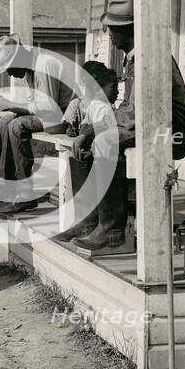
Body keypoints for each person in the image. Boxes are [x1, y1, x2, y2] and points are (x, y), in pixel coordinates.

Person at [73, 0, 185, 250]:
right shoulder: (132, 58)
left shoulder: (148, 59)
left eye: (113, 29)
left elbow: (139, 113)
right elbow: (129, 108)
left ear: (130, 29)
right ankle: (89, 220)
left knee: (105, 142)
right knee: (83, 146)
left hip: (170, 131)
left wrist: (96, 130)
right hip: (148, 124)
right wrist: (90, 129)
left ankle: (111, 229)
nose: (109, 35)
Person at [0, 34, 74, 215]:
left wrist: (11, 105)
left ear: (18, 58)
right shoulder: (30, 67)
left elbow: (49, 107)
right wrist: (11, 108)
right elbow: (32, 103)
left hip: (66, 119)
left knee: (16, 126)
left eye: (9, 68)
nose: (10, 74)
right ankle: (4, 185)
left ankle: (25, 195)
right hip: (51, 115)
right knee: (2, 122)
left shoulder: (44, 64)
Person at [54, 66, 119, 242]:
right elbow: (92, 126)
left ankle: (88, 222)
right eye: (113, 88)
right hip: (99, 152)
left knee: (86, 161)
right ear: (100, 88)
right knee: (79, 161)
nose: (118, 92)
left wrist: (85, 135)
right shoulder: (97, 106)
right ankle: (84, 221)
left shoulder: (103, 107)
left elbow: (102, 126)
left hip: (109, 154)